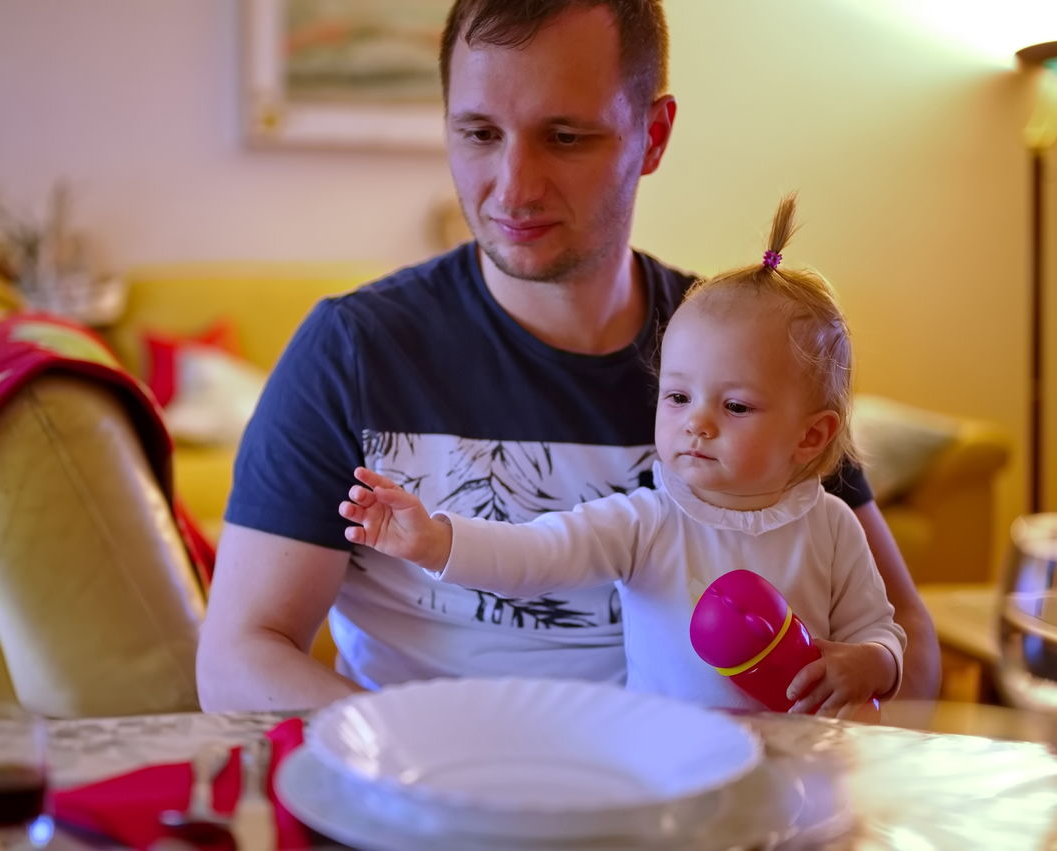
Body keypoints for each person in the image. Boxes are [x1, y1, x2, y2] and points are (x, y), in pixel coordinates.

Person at [196, 0, 938, 711]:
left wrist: (844, 702)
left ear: (652, 136)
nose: (513, 188)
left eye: (566, 137)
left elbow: (906, 636)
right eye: (480, 133)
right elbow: (237, 659)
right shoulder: (352, 352)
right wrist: (406, 761)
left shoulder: (744, 355)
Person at [338, 195, 905, 717]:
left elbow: (881, 629)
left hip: (805, 768)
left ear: (811, 437)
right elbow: (535, 553)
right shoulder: (646, 521)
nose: (697, 423)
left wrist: (873, 664)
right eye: (678, 397)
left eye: (735, 406)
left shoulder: (830, 526)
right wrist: (433, 541)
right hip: (672, 768)